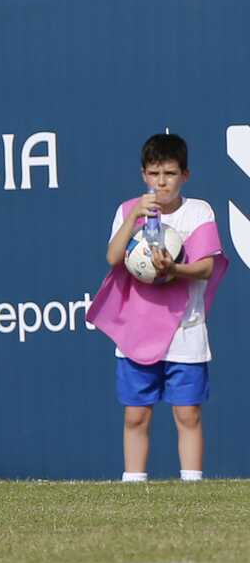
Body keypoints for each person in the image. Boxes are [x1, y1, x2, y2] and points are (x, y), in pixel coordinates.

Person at [90, 132, 226, 482]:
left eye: (169, 174)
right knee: (136, 416)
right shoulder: (127, 210)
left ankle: (192, 486)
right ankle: (134, 486)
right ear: (143, 175)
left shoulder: (198, 211)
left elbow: (206, 267)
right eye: (154, 173)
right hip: (137, 332)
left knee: (188, 413)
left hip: (185, 329)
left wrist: (174, 269)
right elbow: (113, 257)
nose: (161, 182)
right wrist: (134, 215)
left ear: (185, 175)